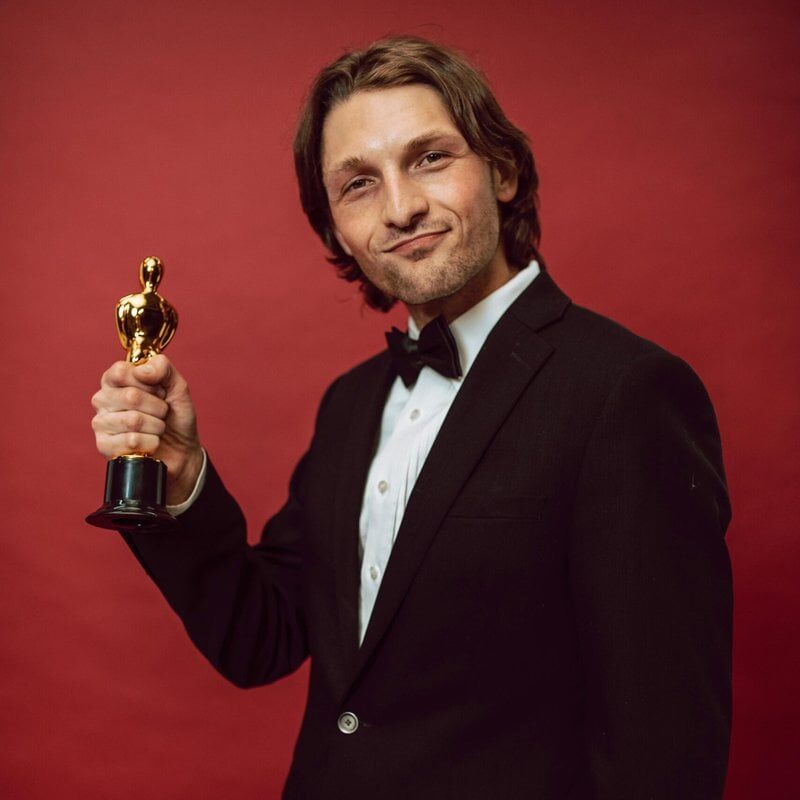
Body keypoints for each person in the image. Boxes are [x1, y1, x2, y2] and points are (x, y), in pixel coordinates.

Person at [90, 36, 733, 800]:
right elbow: (259, 640)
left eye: (429, 157)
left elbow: (663, 753)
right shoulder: (351, 404)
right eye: (358, 184)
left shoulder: (629, 392)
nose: (401, 208)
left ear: (502, 169)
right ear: (334, 228)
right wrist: (183, 480)